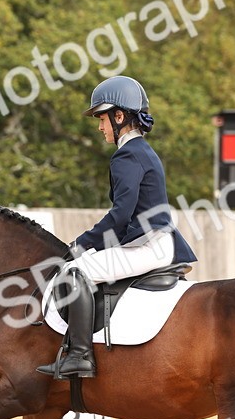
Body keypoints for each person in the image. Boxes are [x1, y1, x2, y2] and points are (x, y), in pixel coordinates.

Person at [37, 75, 198, 379]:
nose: (99, 127)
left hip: (148, 247)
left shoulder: (127, 155)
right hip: (156, 243)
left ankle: (80, 356)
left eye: (102, 118)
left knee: (75, 272)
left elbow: (121, 214)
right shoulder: (142, 151)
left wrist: (81, 244)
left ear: (119, 116)